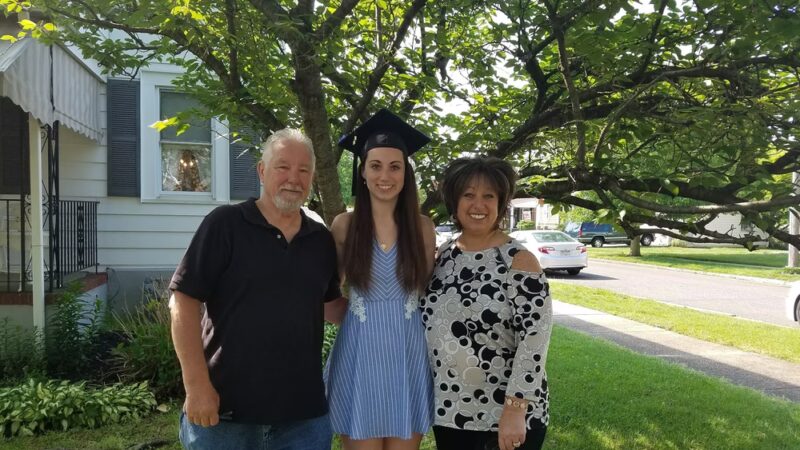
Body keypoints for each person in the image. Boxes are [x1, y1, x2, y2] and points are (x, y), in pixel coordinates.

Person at [169, 128, 341, 450]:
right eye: (283, 166)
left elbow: (331, 307)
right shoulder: (225, 225)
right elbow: (183, 302)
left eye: (304, 170)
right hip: (225, 415)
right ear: (262, 171)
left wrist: (389, 305)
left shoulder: (320, 240)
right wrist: (196, 386)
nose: (294, 178)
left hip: (303, 419)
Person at [420, 157, 552, 450]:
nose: (477, 204)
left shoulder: (519, 261)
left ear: (501, 204)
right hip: (450, 413)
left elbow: (535, 339)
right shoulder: (444, 256)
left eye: (488, 196)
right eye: (468, 195)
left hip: (503, 417)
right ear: (454, 202)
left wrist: (515, 409)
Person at [324, 109, 436, 450]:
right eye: (375, 166)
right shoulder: (344, 226)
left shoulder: (424, 229)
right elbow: (327, 298)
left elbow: (429, 297)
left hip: (408, 355)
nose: (385, 175)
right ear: (362, 171)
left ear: (405, 173)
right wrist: (362, 312)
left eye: (395, 166)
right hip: (359, 358)